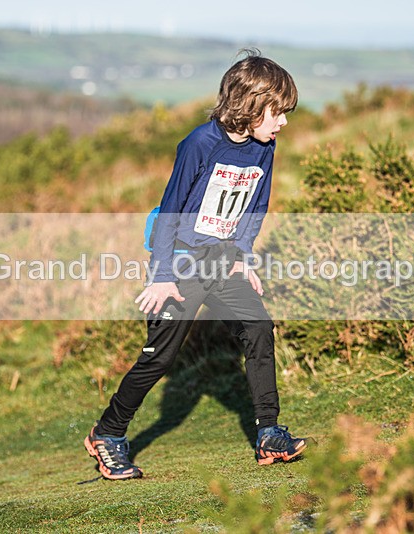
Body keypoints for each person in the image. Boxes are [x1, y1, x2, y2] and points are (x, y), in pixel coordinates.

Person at [84, 49, 307, 480]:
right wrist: (163, 275)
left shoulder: (265, 147)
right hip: (182, 262)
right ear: (250, 104)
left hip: (223, 261)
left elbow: (257, 204)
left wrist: (243, 257)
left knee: (259, 329)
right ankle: (108, 434)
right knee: (160, 357)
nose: (283, 123)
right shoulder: (199, 144)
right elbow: (169, 211)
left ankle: (269, 433)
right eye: (278, 112)